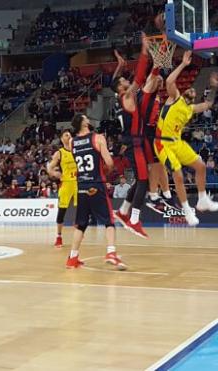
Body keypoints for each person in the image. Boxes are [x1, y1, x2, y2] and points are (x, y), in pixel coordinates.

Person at [155, 50, 218, 226]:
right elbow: (169, 81)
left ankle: (202, 199)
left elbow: (208, 104)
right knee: (178, 176)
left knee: (200, 166)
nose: (192, 89)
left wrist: (214, 86)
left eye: (194, 91)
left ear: (193, 98)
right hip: (163, 143)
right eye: (191, 88)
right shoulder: (174, 98)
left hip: (177, 142)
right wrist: (184, 64)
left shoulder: (190, 109)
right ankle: (186, 212)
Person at [112, 35, 169, 238]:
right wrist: (144, 52)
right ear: (120, 88)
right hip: (135, 142)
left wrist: (159, 56)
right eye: (123, 81)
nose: (127, 81)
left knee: (139, 180)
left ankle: (123, 211)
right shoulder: (126, 96)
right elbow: (139, 76)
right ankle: (135, 220)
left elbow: (150, 77)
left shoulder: (128, 99)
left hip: (137, 140)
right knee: (143, 179)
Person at [68, 114, 126, 271]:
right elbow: (109, 163)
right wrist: (105, 172)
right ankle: (111, 253)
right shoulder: (98, 138)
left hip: (81, 185)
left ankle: (72, 258)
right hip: (96, 184)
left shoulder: (72, 142)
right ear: (84, 123)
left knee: (80, 224)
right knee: (109, 221)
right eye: (86, 118)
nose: (89, 118)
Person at [46, 129, 77, 248]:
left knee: (81, 209)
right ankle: (59, 236)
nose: (68, 136)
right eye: (66, 135)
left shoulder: (76, 150)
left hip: (78, 182)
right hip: (66, 183)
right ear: (61, 139)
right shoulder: (59, 152)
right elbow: (49, 167)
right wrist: (54, 173)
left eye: (70, 135)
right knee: (62, 211)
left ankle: (78, 231)